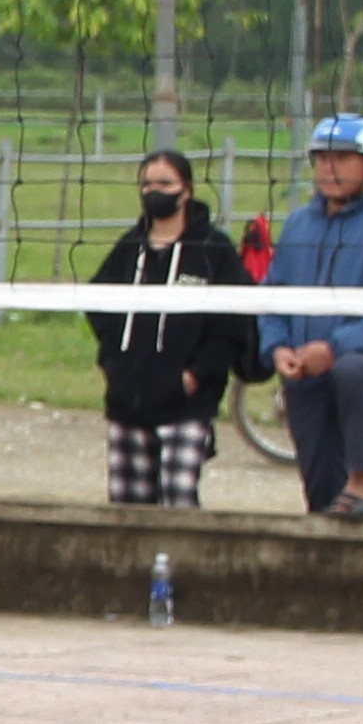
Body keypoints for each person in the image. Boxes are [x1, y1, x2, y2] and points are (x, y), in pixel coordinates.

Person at [260, 113, 363, 524]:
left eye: (343, 158)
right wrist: (277, 347)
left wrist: (333, 349)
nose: (330, 168)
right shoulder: (299, 223)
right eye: (322, 158)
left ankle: (361, 483)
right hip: (305, 371)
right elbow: (272, 295)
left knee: (351, 371)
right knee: (320, 496)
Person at [85, 148, 257, 506]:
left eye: (164, 183)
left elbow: (233, 322)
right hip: (128, 401)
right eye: (147, 184)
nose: (154, 191)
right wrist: (114, 364)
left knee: (179, 500)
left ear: (186, 190)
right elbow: (98, 305)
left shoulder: (213, 249)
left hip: (187, 404)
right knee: (127, 509)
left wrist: (196, 375)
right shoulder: (130, 247)